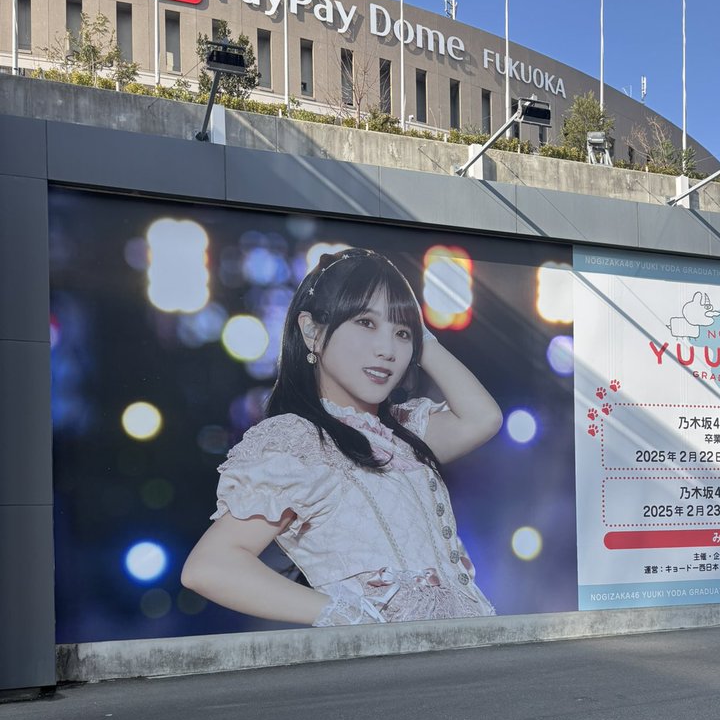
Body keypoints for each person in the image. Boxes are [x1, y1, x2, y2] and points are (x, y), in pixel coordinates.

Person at [181, 247, 503, 626]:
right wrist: (344, 617)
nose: (387, 350)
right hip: (390, 658)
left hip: (468, 647)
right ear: (312, 332)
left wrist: (423, 339)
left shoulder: (403, 433)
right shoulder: (299, 440)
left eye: (402, 333)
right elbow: (210, 567)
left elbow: (483, 419)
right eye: (366, 323)